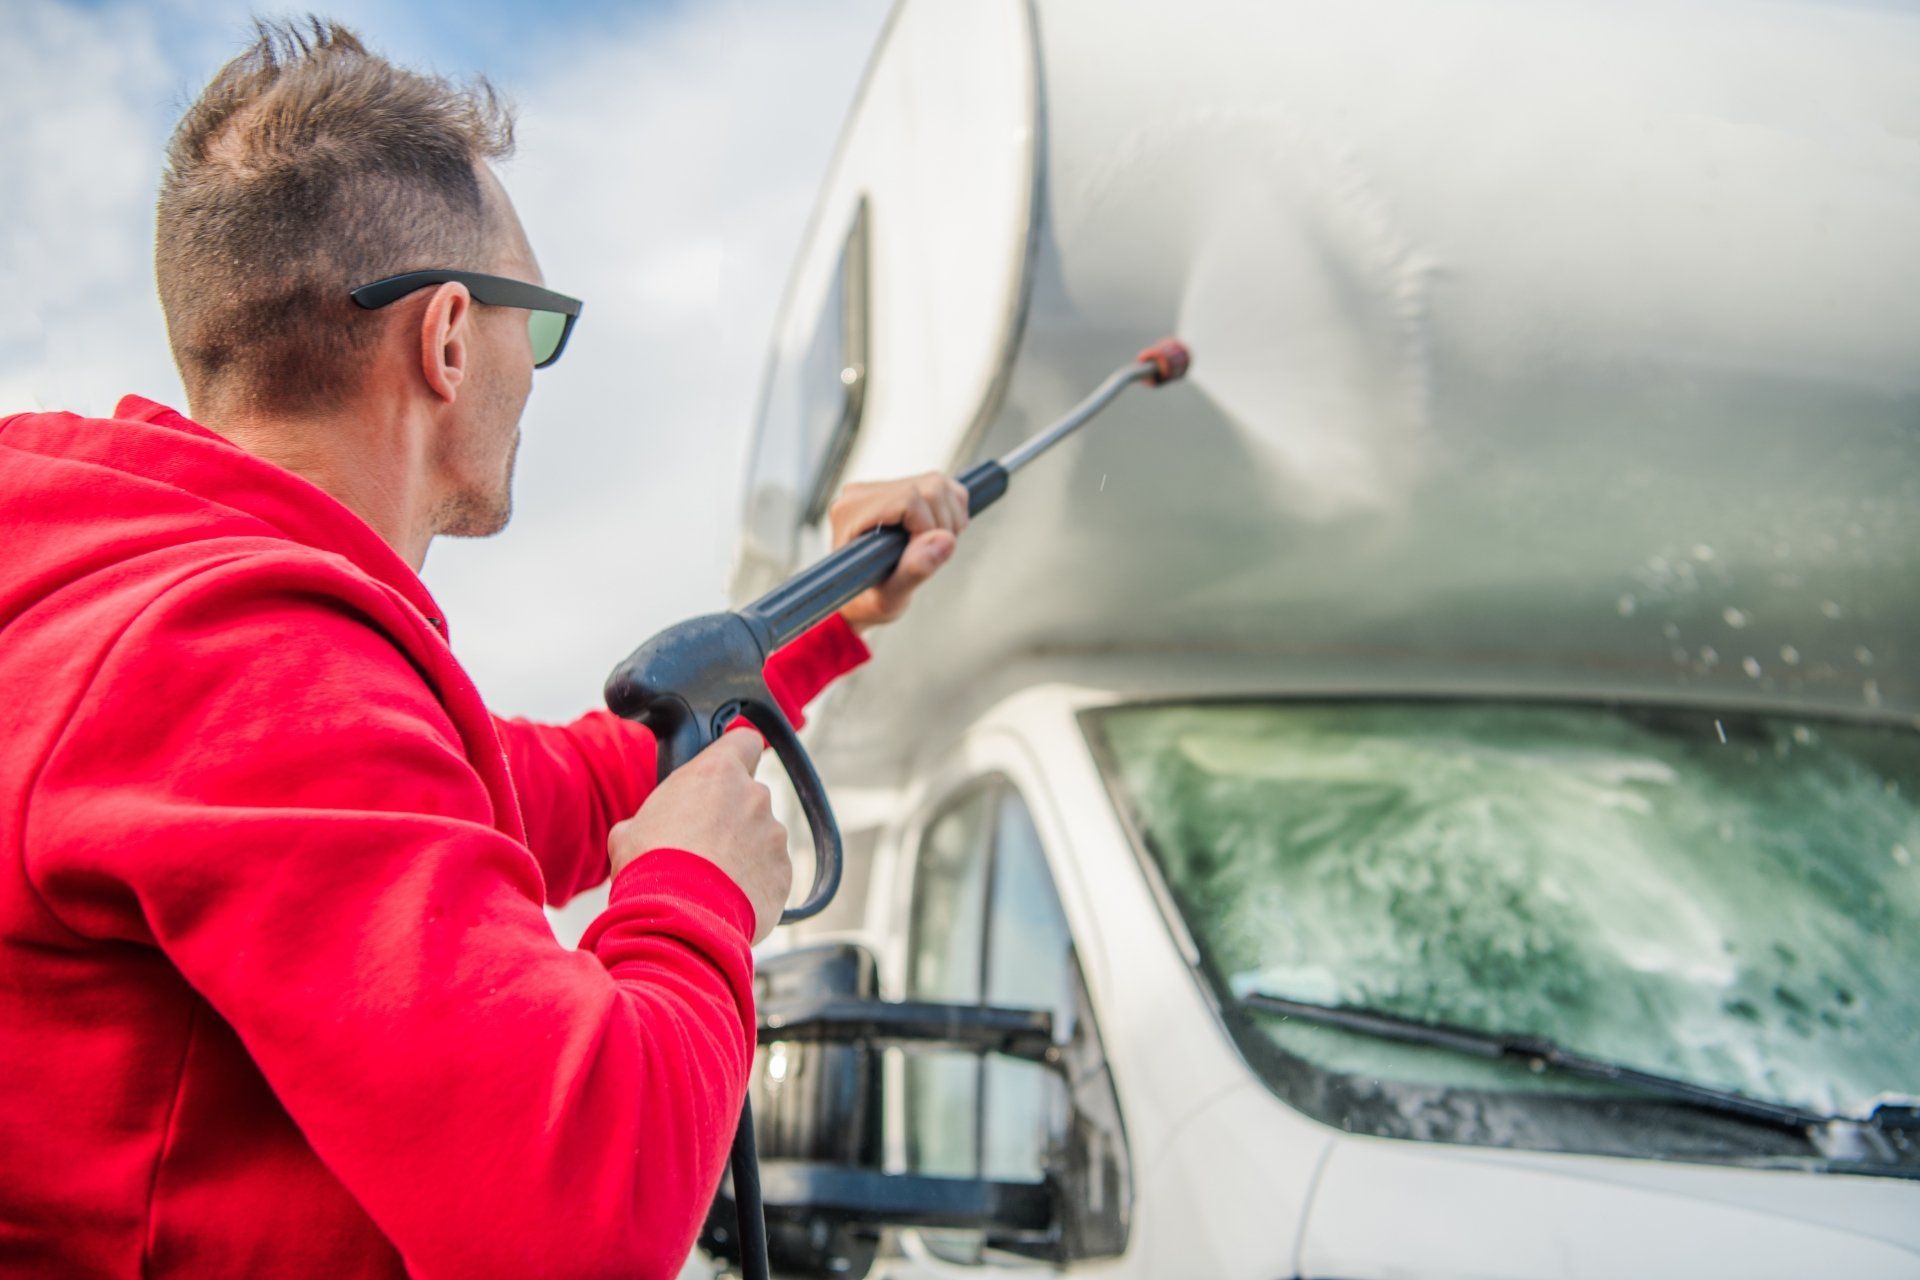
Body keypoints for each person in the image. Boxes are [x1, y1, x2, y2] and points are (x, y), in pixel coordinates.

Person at [0, 18, 969, 1279]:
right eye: (540, 323)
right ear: (449, 337)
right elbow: (587, 1211)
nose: (536, 372)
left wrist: (830, 615)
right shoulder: (252, 674)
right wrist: (699, 891)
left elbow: (554, 785)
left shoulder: (122, 613)